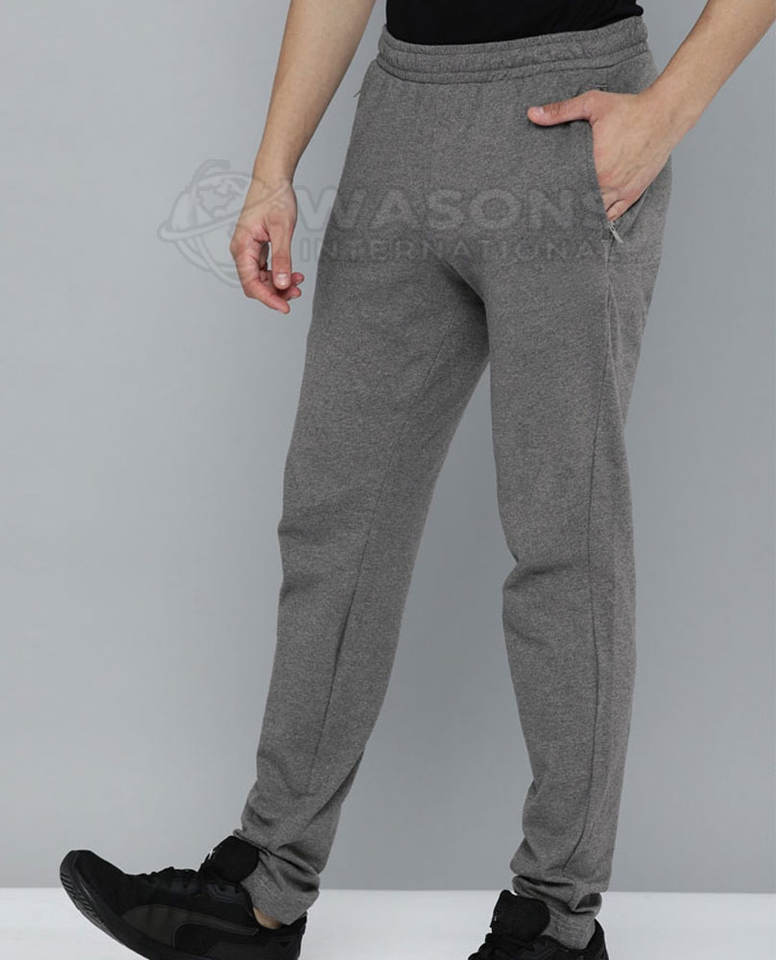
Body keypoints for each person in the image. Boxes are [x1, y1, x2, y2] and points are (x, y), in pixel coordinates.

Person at [59, 2, 774, 958]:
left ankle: (556, 921)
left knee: (563, 536)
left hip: (572, 115)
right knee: (334, 519)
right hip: (401, 117)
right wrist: (272, 170)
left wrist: (665, 114)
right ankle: (262, 891)